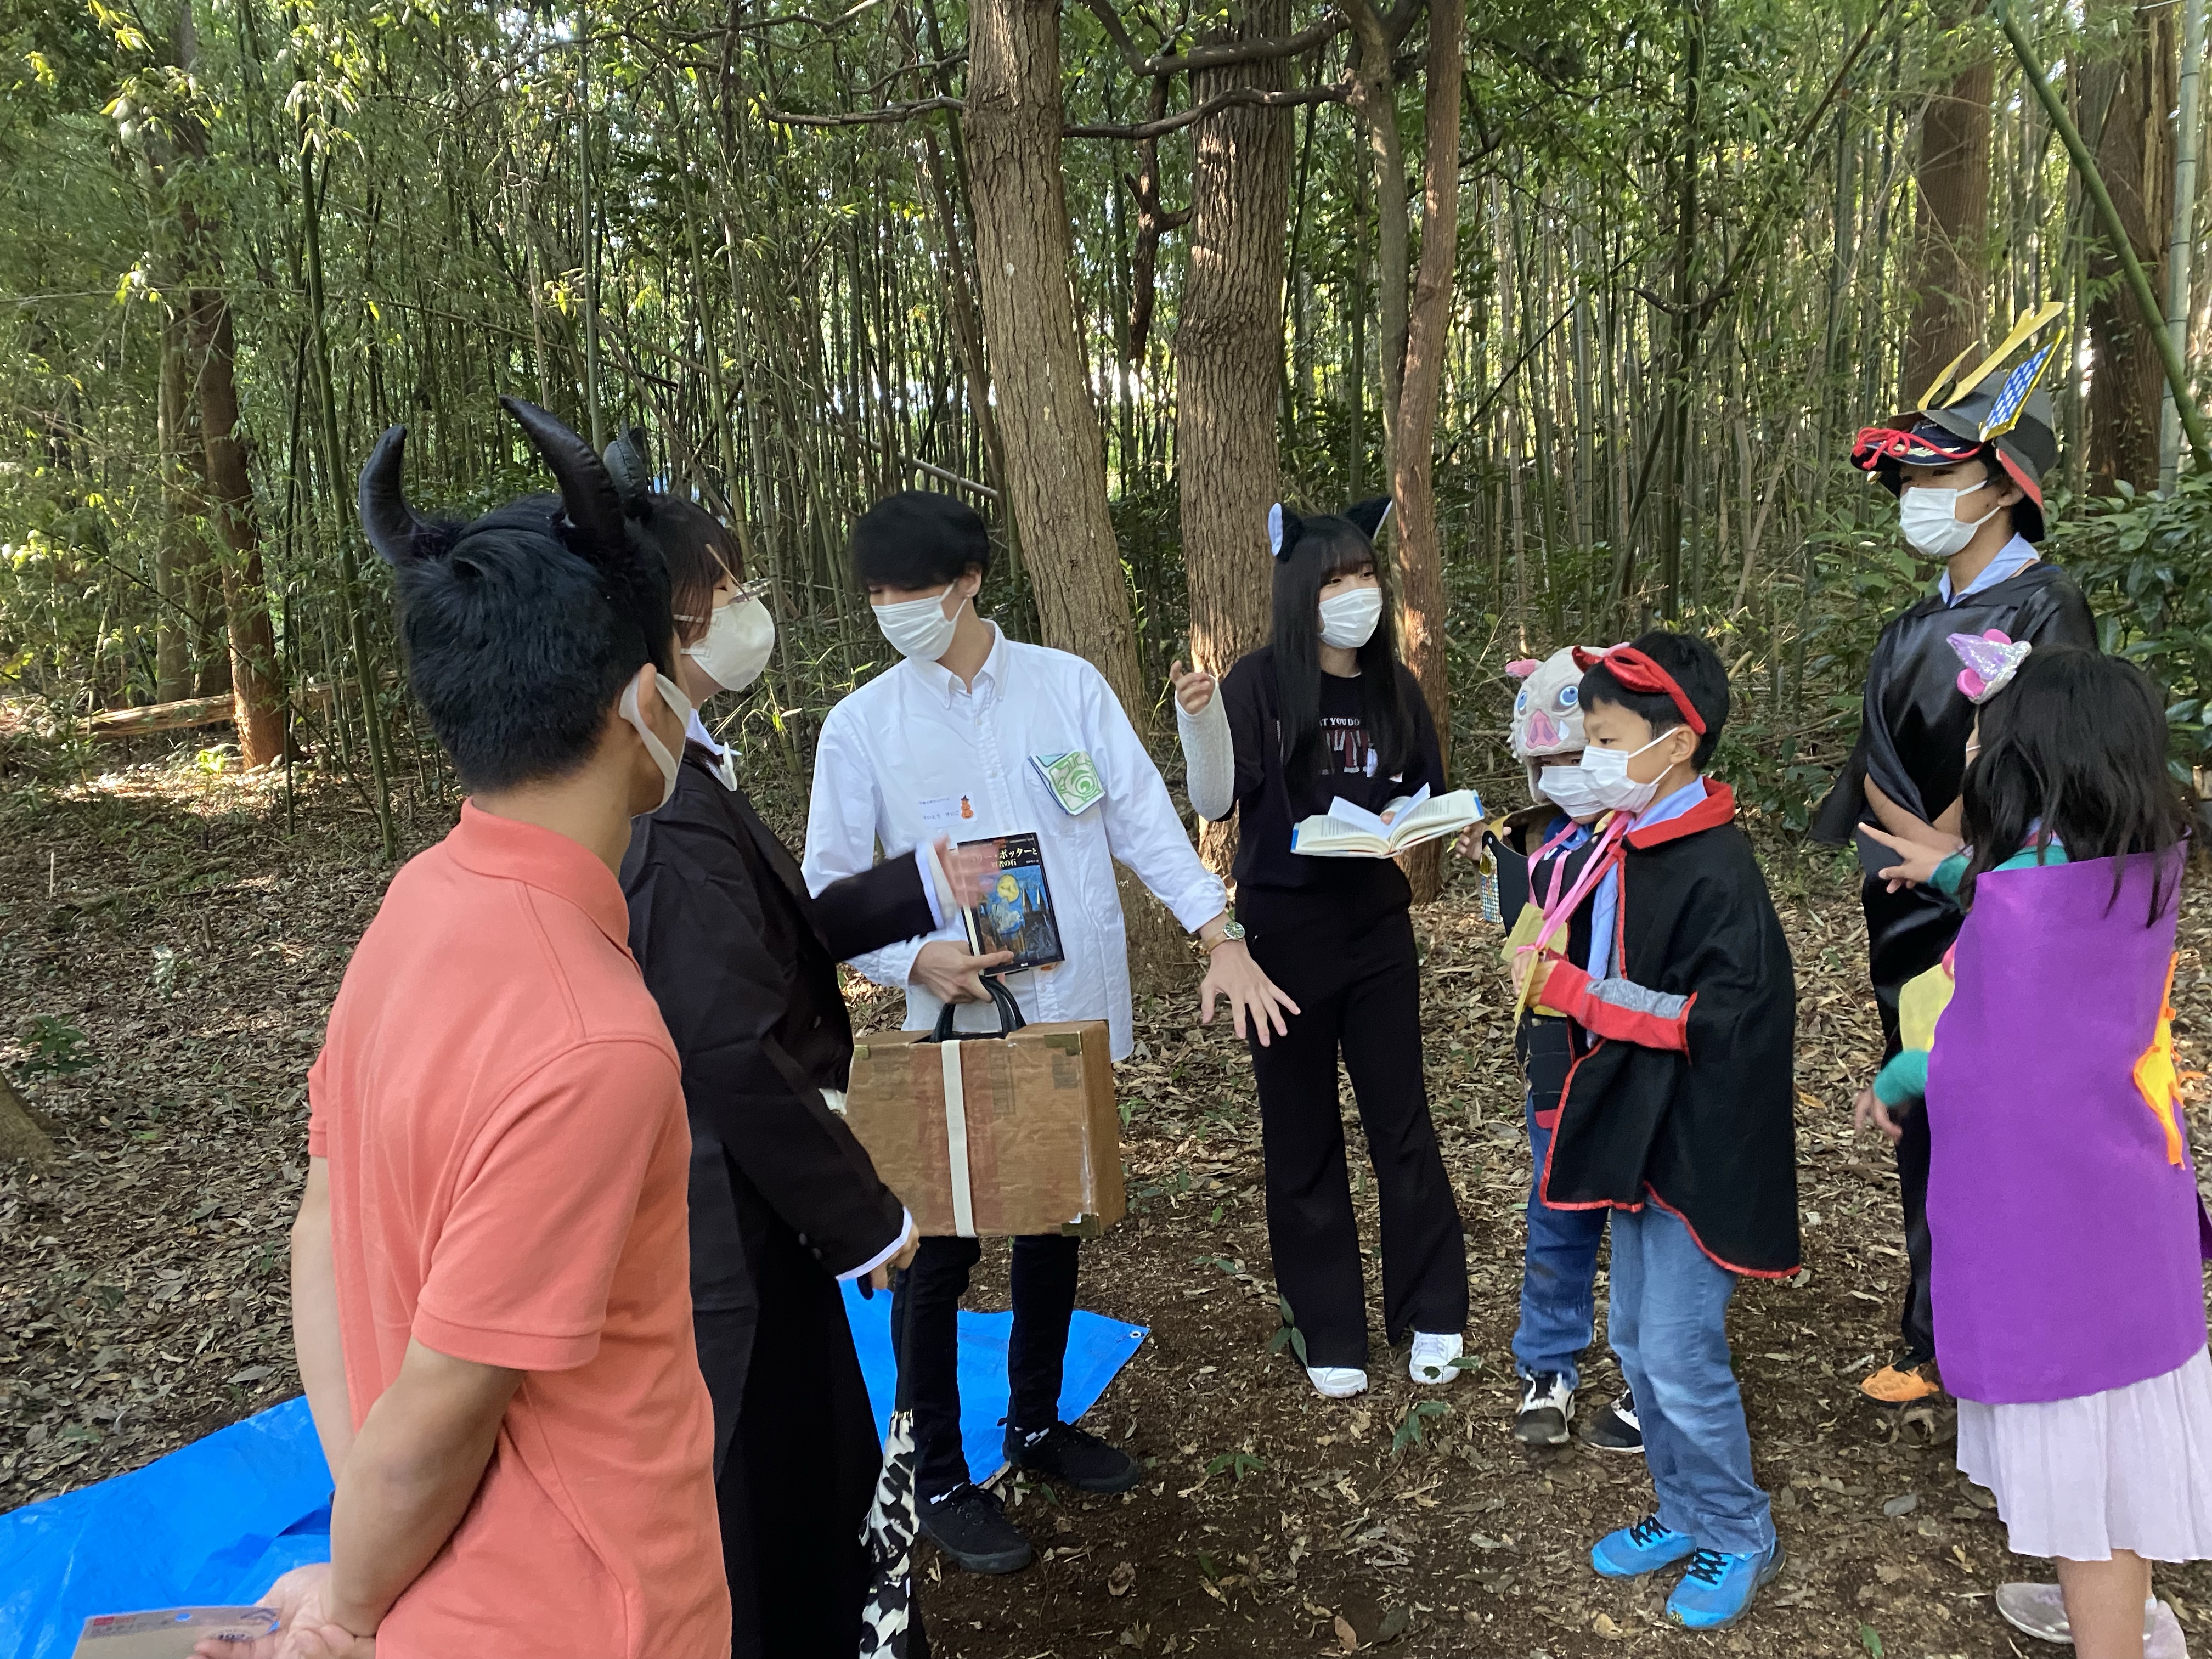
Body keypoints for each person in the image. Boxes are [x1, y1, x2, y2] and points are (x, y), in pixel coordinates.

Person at [207, 402, 729, 1659]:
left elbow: (323, 1224)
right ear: (645, 703)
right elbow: (446, 1403)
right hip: (583, 1617)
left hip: (437, 1590)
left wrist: (364, 1544)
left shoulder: (416, 904)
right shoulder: (597, 1042)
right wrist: (351, 1601)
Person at [800, 489, 1296, 1576]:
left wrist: (1218, 933)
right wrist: (911, 960)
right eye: (877, 595)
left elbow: (1142, 821)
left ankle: (1034, 1420)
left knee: (1053, 1221)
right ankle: (937, 1472)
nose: (894, 611)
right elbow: (828, 890)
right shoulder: (864, 726)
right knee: (940, 1249)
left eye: (912, 591)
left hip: (1066, 1012)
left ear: (970, 581)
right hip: (952, 1019)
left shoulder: (1066, 689)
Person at [610, 438, 989, 1659]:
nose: (746, 611)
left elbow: (766, 937)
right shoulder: (664, 815)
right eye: (726, 591)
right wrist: (863, 1216)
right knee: (762, 1476)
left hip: (760, 1199)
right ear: (670, 622)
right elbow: (728, 1042)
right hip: (730, 1211)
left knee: (808, 1451)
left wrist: (916, 886)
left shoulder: (684, 773)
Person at [1861, 644, 2208, 1659]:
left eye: (1984, 738)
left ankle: (2117, 1640)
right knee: (2119, 1445)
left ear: (2031, 757)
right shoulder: (2137, 859)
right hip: (2128, 1209)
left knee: (2084, 1477)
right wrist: (1951, 870)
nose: (1972, 753)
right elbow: (2030, 895)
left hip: (2058, 1249)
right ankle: (2126, 1613)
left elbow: (1983, 1062)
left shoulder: (2023, 906)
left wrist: (1902, 1074)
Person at [1812, 328, 2096, 1407]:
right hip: (1905, 907)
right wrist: (1908, 847)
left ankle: (2024, 1342)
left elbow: (2044, 756)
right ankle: (1935, 1333)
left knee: (2009, 1116)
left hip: (2005, 899)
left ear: (2005, 483)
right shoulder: (1903, 628)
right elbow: (1874, 761)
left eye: (1942, 476)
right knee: (1926, 1110)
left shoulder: (2047, 607)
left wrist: (1955, 851)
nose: (1920, 498)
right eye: (1913, 480)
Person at [1523, 633, 1798, 1630]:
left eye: (1607, 739)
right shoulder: (1629, 839)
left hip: (1700, 1145)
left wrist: (1581, 995)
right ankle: (1684, 1509)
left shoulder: (1716, 865)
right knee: (1637, 1338)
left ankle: (1739, 1527)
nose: (1591, 758)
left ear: (1676, 743)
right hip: (1640, 1130)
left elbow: (1723, 1017)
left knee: (1679, 1351)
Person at [1169, 498, 1467, 1402]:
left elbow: (1425, 794)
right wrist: (1198, 722)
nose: (1356, 594)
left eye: (1366, 575)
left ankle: (1432, 1311)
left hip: (1377, 931)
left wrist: (1422, 823)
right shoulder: (1259, 684)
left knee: (1400, 1122)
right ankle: (1330, 1327)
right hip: (1283, 939)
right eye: (1337, 580)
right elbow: (1215, 800)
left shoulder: (1394, 687)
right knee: (1300, 1131)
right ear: (1302, 592)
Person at [1452, 646, 1640, 1453]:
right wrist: (1495, 862)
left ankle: (1646, 1375)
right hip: (1558, 1057)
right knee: (1557, 1211)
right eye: (1550, 764)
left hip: (1639, 1063)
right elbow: (1519, 928)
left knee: (1641, 1223)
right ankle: (1547, 1365)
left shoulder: (1653, 837)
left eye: (1578, 757)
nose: (1566, 776)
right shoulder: (1542, 842)